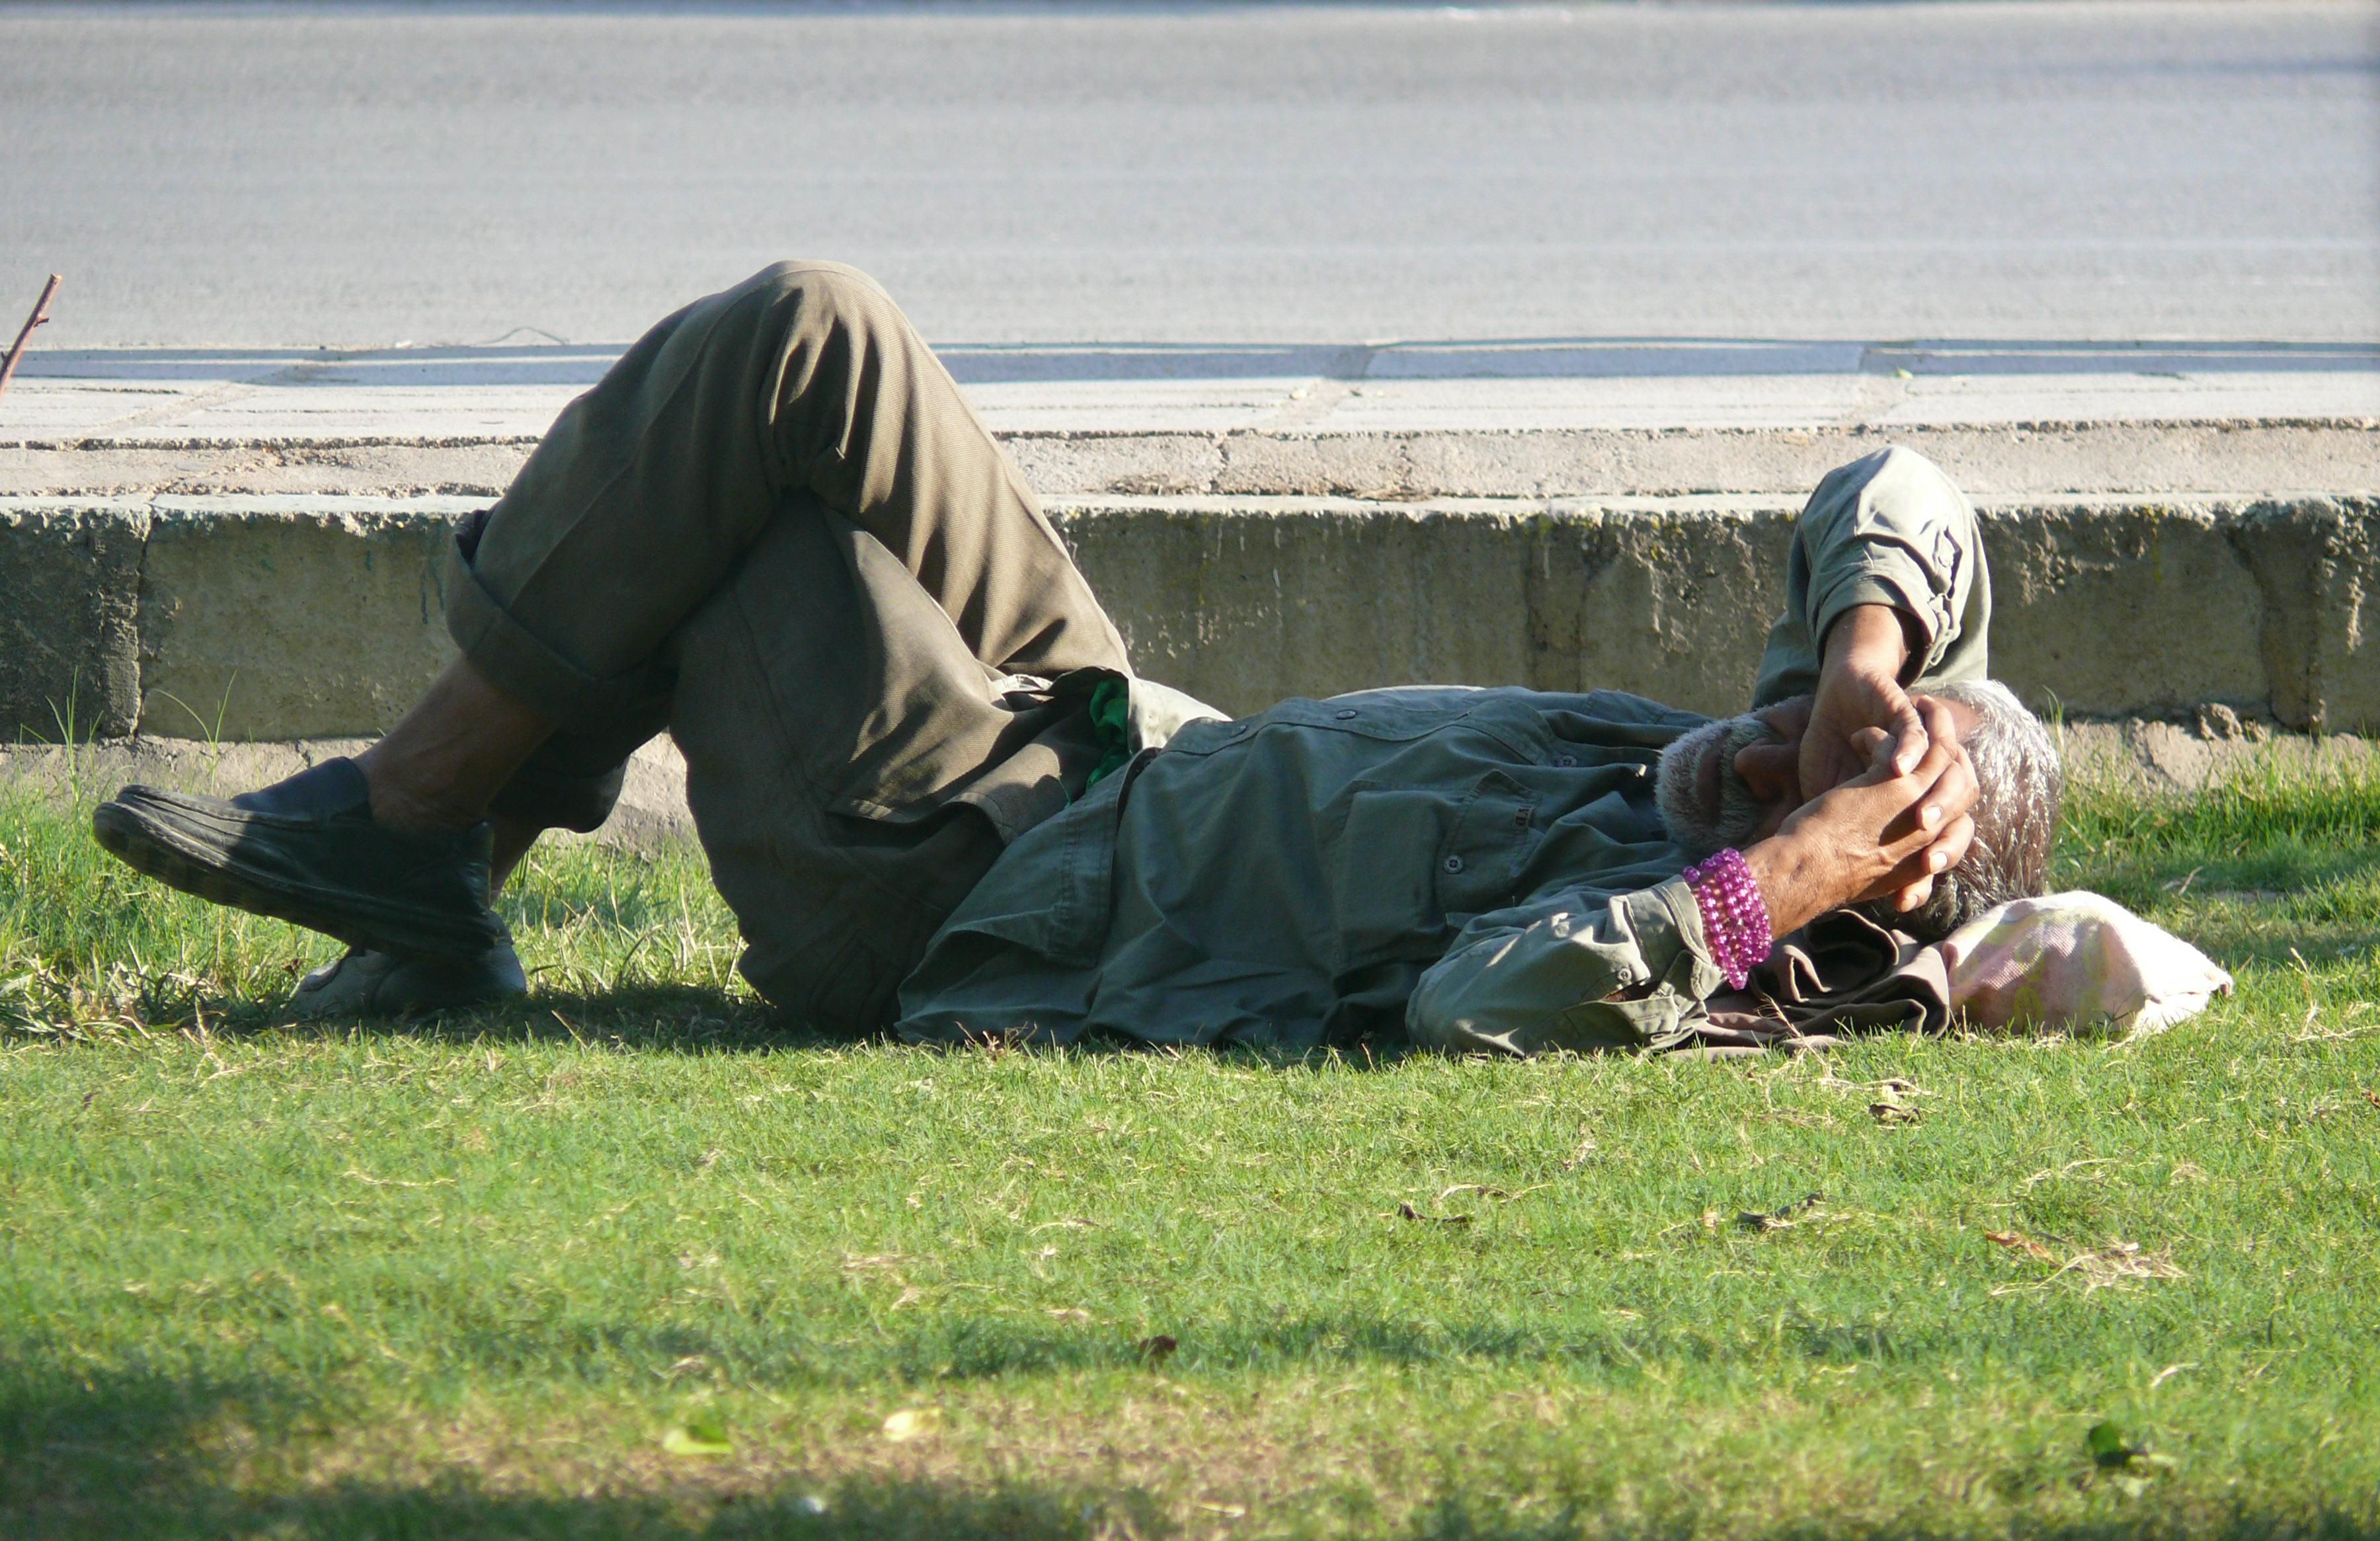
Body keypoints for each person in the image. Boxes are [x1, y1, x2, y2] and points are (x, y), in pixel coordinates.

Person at [92, 262, 2060, 1054]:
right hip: (1109, 731)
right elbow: (1894, 482)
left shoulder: (1704, 935)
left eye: (1847, 779)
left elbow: (1480, 1011)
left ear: (1859, 884)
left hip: (985, 884)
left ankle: (425, 828)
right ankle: (433, 867)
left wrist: (1774, 882)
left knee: (723, 524)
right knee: (815, 334)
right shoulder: (1753, 729)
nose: (1791, 743)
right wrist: (1877, 644)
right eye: (1830, 715)